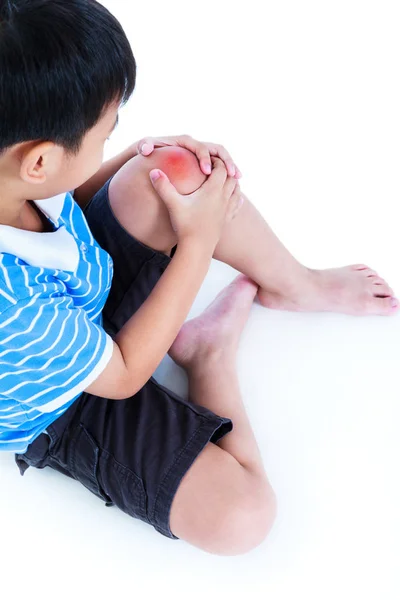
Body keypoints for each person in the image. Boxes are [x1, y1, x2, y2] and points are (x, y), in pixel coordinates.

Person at [0, 0, 396, 556]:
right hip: (67, 402)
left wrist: (148, 155)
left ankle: (294, 283)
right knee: (242, 518)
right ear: (38, 161)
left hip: (81, 297)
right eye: (106, 132)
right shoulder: (10, 309)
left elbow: (67, 197)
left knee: (176, 175)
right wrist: (199, 239)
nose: (113, 137)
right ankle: (207, 356)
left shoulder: (17, 179)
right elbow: (123, 375)